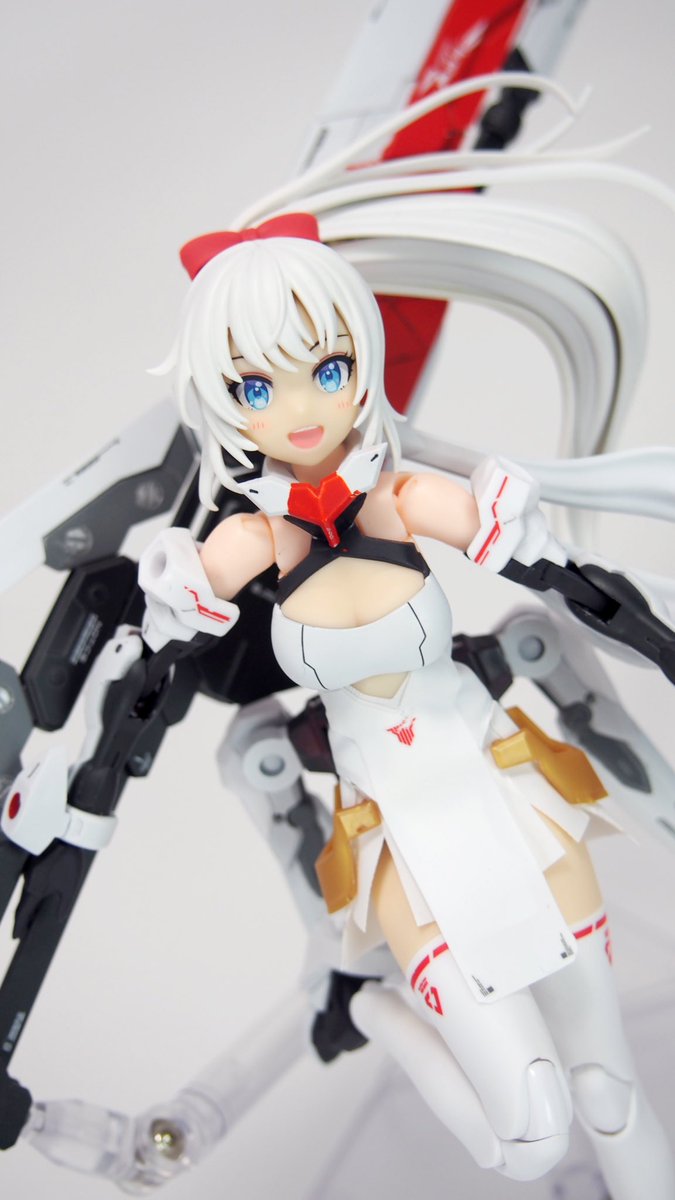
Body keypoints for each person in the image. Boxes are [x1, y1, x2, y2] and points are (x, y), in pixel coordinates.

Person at [139, 202, 674, 1196]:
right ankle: (367, 1004)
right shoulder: (252, 541)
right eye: (256, 385)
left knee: (608, 1091)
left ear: (361, 362)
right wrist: (167, 585)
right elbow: (179, 604)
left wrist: (512, 509)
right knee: (527, 1140)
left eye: (327, 368)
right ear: (222, 400)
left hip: (507, 792)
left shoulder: (397, 500)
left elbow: (500, 532)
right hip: (397, 836)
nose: (301, 407)